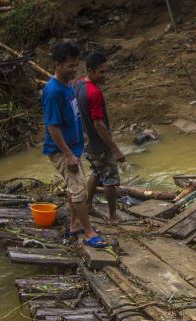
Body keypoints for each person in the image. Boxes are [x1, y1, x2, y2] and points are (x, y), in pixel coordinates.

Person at [41, 42, 105, 248]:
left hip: (74, 144)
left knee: (73, 187)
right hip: (61, 149)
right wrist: (68, 154)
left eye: (76, 65)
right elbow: (52, 126)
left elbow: (72, 114)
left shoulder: (68, 84)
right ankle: (88, 231)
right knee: (79, 191)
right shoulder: (53, 92)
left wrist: (82, 133)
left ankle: (75, 224)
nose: (74, 69)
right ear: (58, 65)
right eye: (70, 66)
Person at [75, 53, 125, 224]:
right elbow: (99, 124)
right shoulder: (94, 92)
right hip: (99, 144)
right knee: (110, 179)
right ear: (91, 70)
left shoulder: (79, 84)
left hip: (87, 142)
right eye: (101, 72)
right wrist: (115, 148)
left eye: (106, 72)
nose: (105, 76)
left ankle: (88, 204)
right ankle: (113, 216)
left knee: (96, 172)